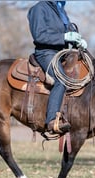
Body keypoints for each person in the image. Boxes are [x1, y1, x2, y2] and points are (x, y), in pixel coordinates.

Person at [27, 1, 87, 134]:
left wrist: (77, 39)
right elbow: (39, 35)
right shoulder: (39, 8)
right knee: (61, 80)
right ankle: (52, 121)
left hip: (62, 53)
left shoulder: (60, 9)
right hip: (46, 53)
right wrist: (64, 37)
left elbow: (69, 31)